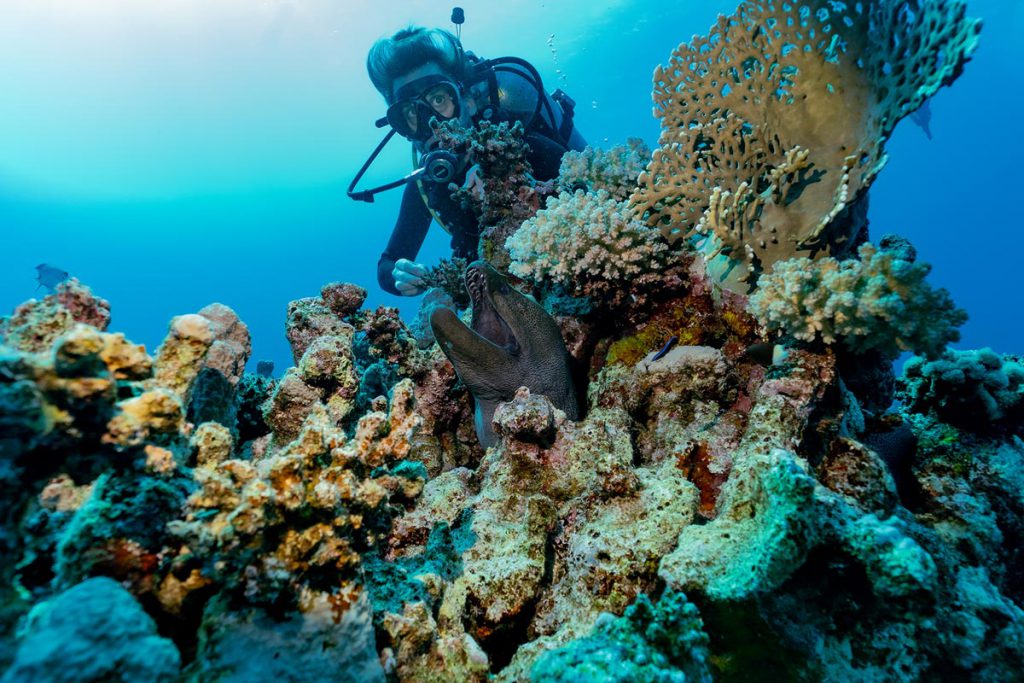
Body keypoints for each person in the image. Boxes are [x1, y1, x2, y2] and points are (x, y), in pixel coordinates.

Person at [358, 25, 587, 296]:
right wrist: (399, 275)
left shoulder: (525, 142)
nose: (430, 123)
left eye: (439, 99)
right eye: (410, 113)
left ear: (466, 100)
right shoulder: (428, 183)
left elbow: (588, 188)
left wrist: (498, 170)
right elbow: (389, 262)